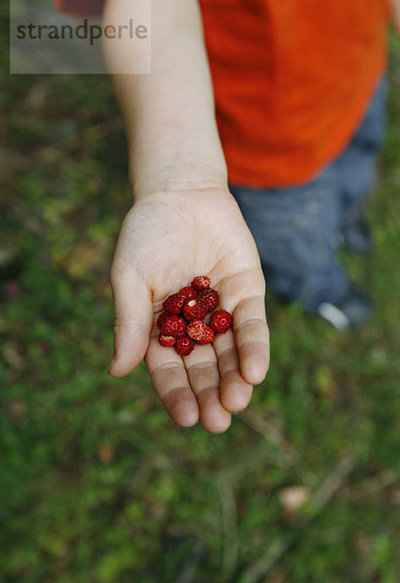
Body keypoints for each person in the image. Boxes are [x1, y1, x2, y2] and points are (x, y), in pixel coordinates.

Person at [56, 0, 398, 433]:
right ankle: (318, 287)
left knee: (353, 170)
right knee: (296, 237)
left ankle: (344, 219)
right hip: (266, 146)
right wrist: (178, 178)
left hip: (356, 74)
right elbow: (149, 16)